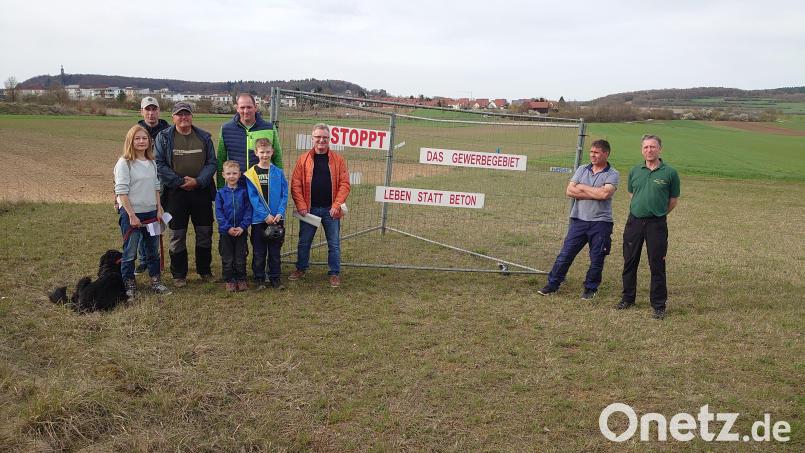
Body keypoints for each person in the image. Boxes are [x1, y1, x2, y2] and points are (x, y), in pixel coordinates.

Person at [538, 139, 619, 300]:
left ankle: (590, 288)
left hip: (601, 223)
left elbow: (605, 194)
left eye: (596, 152)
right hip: (579, 220)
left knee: (597, 258)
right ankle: (552, 284)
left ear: (606, 153)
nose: (592, 155)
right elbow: (569, 191)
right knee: (565, 254)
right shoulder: (582, 169)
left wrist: (581, 187)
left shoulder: (612, 173)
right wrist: (594, 192)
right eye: (591, 152)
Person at [616, 134, 681, 320]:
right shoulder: (634, 171)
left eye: (652, 147)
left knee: (657, 264)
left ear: (660, 149)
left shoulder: (670, 173)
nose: (649, 150)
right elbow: (632, 194)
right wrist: (641, 209)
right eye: (646, 147)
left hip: (656, 224)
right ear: (641, 150)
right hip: (634, 222)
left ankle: (659, 305)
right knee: (630, 261)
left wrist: (658, 213)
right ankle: (628, 298)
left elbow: (673, 200)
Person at [154, 102, 218, 287]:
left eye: (187, 114)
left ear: (191, 116)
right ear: (173, 117)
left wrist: (198, 181)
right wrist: (180, 182)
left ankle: (204, 270)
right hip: (175, 193)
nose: (183, 117)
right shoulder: (163, 137)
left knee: (204, 232)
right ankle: (179, 274)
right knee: (177, 234)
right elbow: (159, 164)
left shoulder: (204, 137)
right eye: (179, 114)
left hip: (201, 191)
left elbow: (212, 163)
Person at [114, 125, 172, 300]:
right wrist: (131, 215)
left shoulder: (151, 162)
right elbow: (121, 191)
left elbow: (156, 187)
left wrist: (159, 208)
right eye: (137, 138)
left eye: (144, 138)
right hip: (132, 214)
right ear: (130, 141)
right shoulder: (124, 163)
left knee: (153, 251)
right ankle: (129, 284)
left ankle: (156, 281)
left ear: (150, 141)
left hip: (151, 213)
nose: (141, 141)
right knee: (130, 252)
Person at [289, 124, 350, 287]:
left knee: (334, 244)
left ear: (329, 139)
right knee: (304, 242)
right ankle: (301, 268)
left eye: (325, 137)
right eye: (318, 137)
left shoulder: (338, 160)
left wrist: (337, 205)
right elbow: (296, 184)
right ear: (312, 138)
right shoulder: (303, 159)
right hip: (309, 210)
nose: (321, 140)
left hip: (331, 210)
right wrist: (301, 205)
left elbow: (345, 184)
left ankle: (334, 273)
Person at [244, 134, 289, 289]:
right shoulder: (251, 174)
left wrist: (280, 213)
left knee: (275, 251)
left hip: (277, 219)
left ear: (272, 152)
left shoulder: (278, 172)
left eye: (267, 152)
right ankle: (259, 278)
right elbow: (253, 198)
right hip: (259, 220)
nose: (265, 155)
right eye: (262, 152)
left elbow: (284, 194)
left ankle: (275, 278)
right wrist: (265, 215)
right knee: (259, 251)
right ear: (256, 153)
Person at [133, 96, 171, 275]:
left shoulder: (169, 131)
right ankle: (144, 260)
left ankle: (154, 258)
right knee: (143, 224)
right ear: (141, 112)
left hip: (165, 184)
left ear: (159, 111)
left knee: (158, 224)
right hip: (142, 186)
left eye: (154, 109)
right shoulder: (136, 133)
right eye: (147, 109)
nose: (151, 113)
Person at [217, 93, 283, 187]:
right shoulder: (226, 129)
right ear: (237, 108)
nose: (246, 111)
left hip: (261, 186)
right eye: (242, 107)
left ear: (255, 107)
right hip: (236, 187)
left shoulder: (269, 128)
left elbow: (277, 158)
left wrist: (279, 184)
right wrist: (220, 188)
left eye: (249, 107)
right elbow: (221, 160)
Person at [215, 160, 252, 292]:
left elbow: (248, 211)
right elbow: (219, 213)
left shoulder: (244, 192)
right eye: (229, 173)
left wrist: (242, 226)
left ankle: (241, 279)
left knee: (240, 257)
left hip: (241, 231)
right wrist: (228, 228)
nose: (231, 176)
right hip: (226, 232)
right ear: (223, 175)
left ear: (239, 174)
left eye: (234, 173)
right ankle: (229, 280)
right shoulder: (220, 193)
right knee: (227, 258)